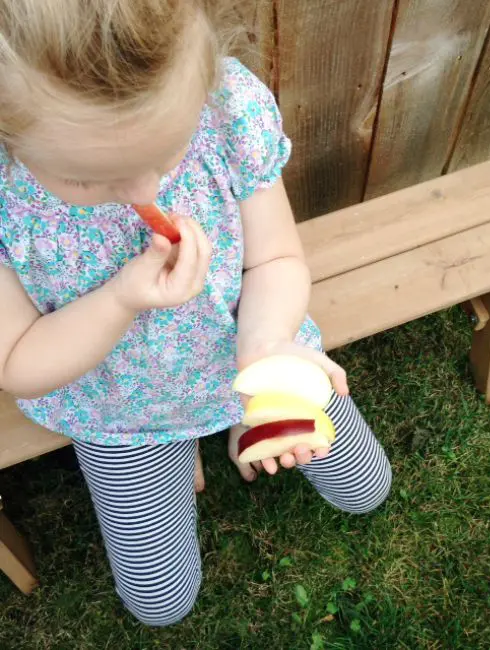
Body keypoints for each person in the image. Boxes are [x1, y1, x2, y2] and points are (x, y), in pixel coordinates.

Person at [0, 0, 392, 626]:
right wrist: (120, 298)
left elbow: (276, 261)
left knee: (367, 488)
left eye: (167, 154)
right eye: (84, 178)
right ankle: (174, 456)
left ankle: (230, 422)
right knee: (161, 605)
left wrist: (264, 352)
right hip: (122, 412)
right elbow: (16, 361)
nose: (143, 194)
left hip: (250, 352)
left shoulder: (228, 113)